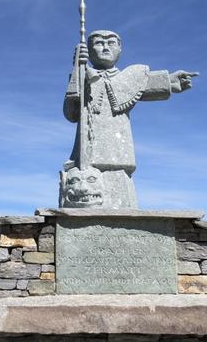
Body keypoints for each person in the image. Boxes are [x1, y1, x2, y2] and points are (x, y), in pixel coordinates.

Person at [61, 30, 197, 208]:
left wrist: (171, 80)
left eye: (111, 43)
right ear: (88, 49)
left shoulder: (130, 77)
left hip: (119, 155)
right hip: (86, 157)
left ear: (120, 49)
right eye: (99, 43)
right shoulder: (81, 75)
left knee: (122, 194)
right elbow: (71, 114)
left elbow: (154, 83)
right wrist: (78, 70)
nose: (105, 47)